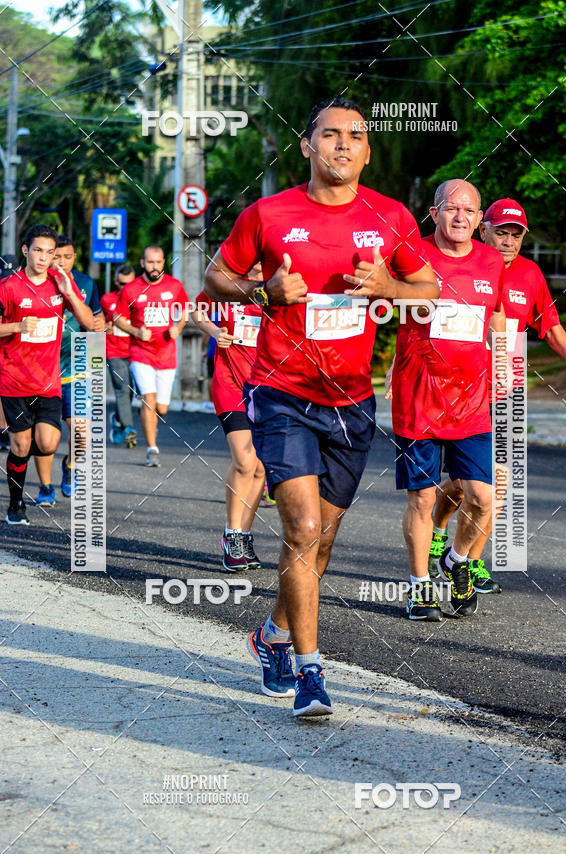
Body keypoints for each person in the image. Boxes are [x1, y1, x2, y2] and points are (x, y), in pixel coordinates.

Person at [204, 97, 438, 717]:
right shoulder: (270, 214)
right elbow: (214, 278)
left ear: (367, 149)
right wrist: (264, 289)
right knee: (302, 530)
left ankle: (273, 634)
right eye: (330, 135)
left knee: (322, 539)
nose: (342, 145)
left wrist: (388, 286)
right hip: (282, 393)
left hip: (353, 402)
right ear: (307, 146)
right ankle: (311, 673)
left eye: (355, 136)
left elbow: (429, 288)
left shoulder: (389, 217)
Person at [428, 198, 566, 592]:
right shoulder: (466, 265)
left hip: (508, 388)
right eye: (500, 232)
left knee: (497, 487)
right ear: (482, 230)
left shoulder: (530, 274)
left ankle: (469, 561)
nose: (507, 241)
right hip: (461, 388)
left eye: (515, 234)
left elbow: (549, 324)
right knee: (458, 484)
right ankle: (437, 530)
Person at [390, 179, 506, 622]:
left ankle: (457, 561)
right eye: (451, 208)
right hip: (418, 399)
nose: (460, 216)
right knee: (421, 500)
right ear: (434, 213)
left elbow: (493, 314)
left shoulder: (492, 260)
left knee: (482, 497)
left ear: (479, 221)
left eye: (470, 211)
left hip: (472, 401)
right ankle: (420, 588)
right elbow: (385, 303)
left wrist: (502, 355)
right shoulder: (412, 255)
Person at [0, 224, 94, 524]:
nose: (43, 258)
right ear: (26, 250)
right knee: (21, 445)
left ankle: (42, 473)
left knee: (48, 443)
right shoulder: (8, 287)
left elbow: (90, 324)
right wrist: (16, 327)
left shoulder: (59, 284)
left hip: (49, 380)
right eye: (38, 250)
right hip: (14, 379)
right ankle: (16, 505)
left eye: (49, 253)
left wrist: (70, 293)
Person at [193, 276, 266, 571]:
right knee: (245, 461)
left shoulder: (278, 289)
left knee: (262, 468)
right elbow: (196, 311)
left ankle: (244, 535)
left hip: (267, 389)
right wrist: (214, 331)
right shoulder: (227, 287)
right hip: (230, 384)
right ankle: (232, 534)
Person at [33, 235, 104, 506]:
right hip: (41, 369)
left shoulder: (86, 283)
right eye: (56, 256)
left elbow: (98, 321)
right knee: (44, 435)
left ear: (75, 257)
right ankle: (45, 486)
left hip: (77, 367)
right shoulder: (39, 283)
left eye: (68, 256)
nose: (61, 262)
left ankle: (70, 466)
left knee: (81, 432)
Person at [114, 245, 189, 467]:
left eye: (158, 262)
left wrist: (179, 326)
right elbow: (118, 317)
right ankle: (152, 449)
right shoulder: (131, 289)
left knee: (161, 408)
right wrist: (137, 332)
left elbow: (184, 309)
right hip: (141, 352)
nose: (154, 267)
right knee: (149, 398)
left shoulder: (174, 286)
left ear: (163, 262)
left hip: (167, 354)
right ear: (142, 263)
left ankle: (146, 411)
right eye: (150, 262)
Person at [99, 264, 137, 447]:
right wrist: (102, 326)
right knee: (122, 388)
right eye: (122, 284)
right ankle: (129, 428)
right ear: (116, 282)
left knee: (132, 391)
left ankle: (119, 420)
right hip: (113, 350)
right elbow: (96, 319)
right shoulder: (107, 300)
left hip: (136, 351)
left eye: (130, 283)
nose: (126, 288)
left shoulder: (140, 299)